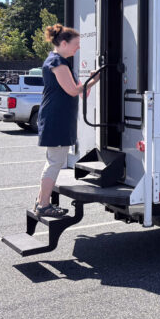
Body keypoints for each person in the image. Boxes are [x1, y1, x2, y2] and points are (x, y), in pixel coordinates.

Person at [34, 24, 100, 217]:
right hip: (56, 119)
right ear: (63, 43)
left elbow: (81, 91)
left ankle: (41, 200)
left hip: (59, 118)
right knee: (55, 162)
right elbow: (72, 90)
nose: (78, 48)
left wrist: (88, 82)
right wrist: (95, 79)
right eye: (76, 44)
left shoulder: (63, 62)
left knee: (55, 161)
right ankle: (43, 205)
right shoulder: (57, 62)